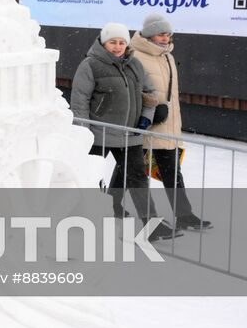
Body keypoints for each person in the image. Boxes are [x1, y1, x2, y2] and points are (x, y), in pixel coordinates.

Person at [69, 22, 173, 239]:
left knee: (138, 178)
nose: (117, 47)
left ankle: (151, 225)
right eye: (113, 42)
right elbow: (80, 101)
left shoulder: (134, 65)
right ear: (103, 42)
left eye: (122, 43)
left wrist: (145, 119)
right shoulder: (90, 65)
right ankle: (88, 220)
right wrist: (83, 133)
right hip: (99, 132)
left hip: (130, 133)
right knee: (91, 177)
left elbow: (150, 94)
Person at [130, 13, 212, 232]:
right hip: (145, 124)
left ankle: (184, 215)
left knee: (172, 171)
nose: (166, 38)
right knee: (129, 170)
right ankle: (112, 207)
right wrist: (150, 111)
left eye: (168, 34)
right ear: (149, 35)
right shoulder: (135, 56)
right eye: (161, 34)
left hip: (168, 125)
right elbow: (133, 91)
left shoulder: (167, 56)